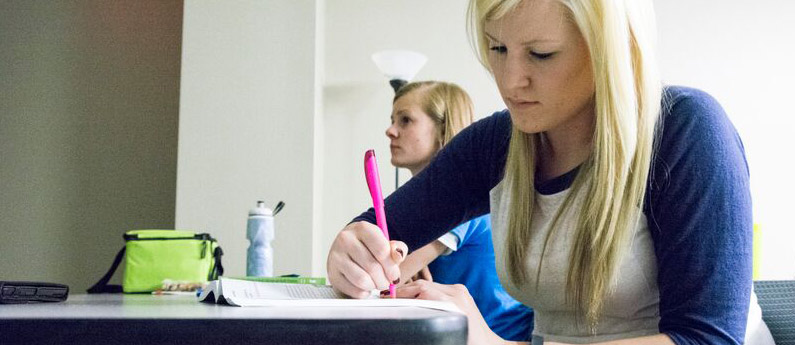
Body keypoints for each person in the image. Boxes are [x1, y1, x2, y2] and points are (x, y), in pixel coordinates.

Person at [326, 0, 775, 344]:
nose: (509, 80)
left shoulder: (686, 131)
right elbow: (373, 232)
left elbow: (706, 339)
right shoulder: (495, 143)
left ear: (609, 50)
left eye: (541, 54)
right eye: (497, 48)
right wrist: (350, 253)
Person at [385, 80, 534, 341]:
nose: (390, 131)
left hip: (498, 336)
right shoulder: (427, 205)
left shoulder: (459, 200)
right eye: (393, 120)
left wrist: (398, 269)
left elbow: (386, 279)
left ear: (443, 130)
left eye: (405, 120)